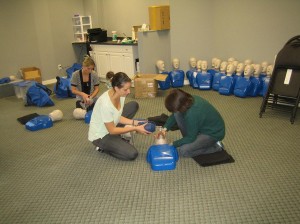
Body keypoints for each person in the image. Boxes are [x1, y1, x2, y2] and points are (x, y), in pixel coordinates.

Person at [88, 72, 150, 161]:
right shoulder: (105, 104)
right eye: (126, 89)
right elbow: (112, 130)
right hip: (101, 135)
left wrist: (134, 122)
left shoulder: (120, 94)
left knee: (133, 105)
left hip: (111, 124)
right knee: (132, 154)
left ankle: (118, 137)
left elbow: (117, 116)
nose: (129, 92)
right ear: (116, 88)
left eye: (129, 88)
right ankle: (102, 147)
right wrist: (135, 128)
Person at [160, 89, 225, 157]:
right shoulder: (187, 100)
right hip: (200, 127)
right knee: (177, 114)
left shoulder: (192, 114)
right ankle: (195, 141)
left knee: (183, 151)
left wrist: (173, 144)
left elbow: (191, 137)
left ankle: (217, 147)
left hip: (213, 133)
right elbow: (174, 114)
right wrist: (165, 129)